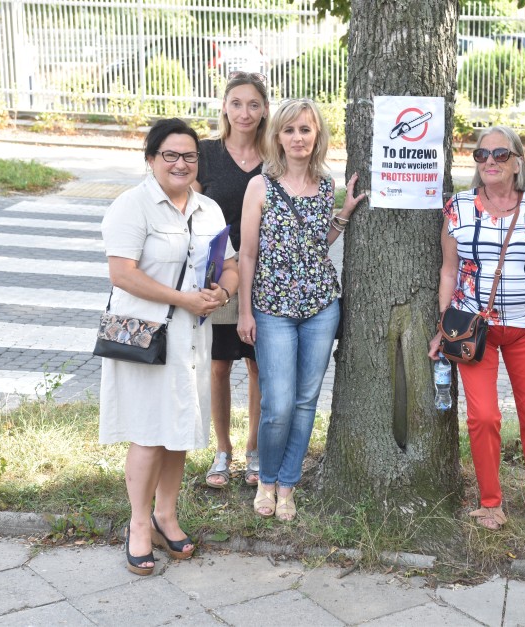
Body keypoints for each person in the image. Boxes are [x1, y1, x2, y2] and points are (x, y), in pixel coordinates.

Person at [99, 118, 238, 575]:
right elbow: (122, 273)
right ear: (151, 159)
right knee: (148, 432)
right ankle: (139, 525)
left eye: (190, 156)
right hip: (146, 334)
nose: (181, 164)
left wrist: (223, 292)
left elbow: (230, 265)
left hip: (192, 337)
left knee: (178, 429)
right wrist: (182, 298)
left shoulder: (208, 210)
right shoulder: (132, 205)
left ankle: (166, 516)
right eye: (171, 155)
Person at [429, 125, 525, 542]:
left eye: (500, 155)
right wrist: (445, 325)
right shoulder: (457, 208)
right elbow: (449, 271)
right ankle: (490, 501)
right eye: (481, 155)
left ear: (518, 161)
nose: (489, 161)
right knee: (484, 416)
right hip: (475, 331)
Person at [238, 99, 365, 521]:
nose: (297, 138)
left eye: (305, 130)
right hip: (272, 308)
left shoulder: (324, 185)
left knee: (307, 400)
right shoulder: (261, 186)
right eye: (289, 130)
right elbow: (248, 255)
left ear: (317, 136)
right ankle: (267, 480)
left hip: (320, 306)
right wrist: (245, 313)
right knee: (278, 403)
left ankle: (288, 485)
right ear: (277, 136)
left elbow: (315, 245)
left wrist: (343, 215)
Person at [193, 71, 269, 489]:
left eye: (253, 104)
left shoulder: (273, 157)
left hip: (262, 276)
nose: (245, 112)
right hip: (217, 274)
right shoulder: (205, 154)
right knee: (220, 366)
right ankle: (223, 450)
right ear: (224, 106)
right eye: (237, 103)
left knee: (259, 366)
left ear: (264, 111)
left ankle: (254, 450)